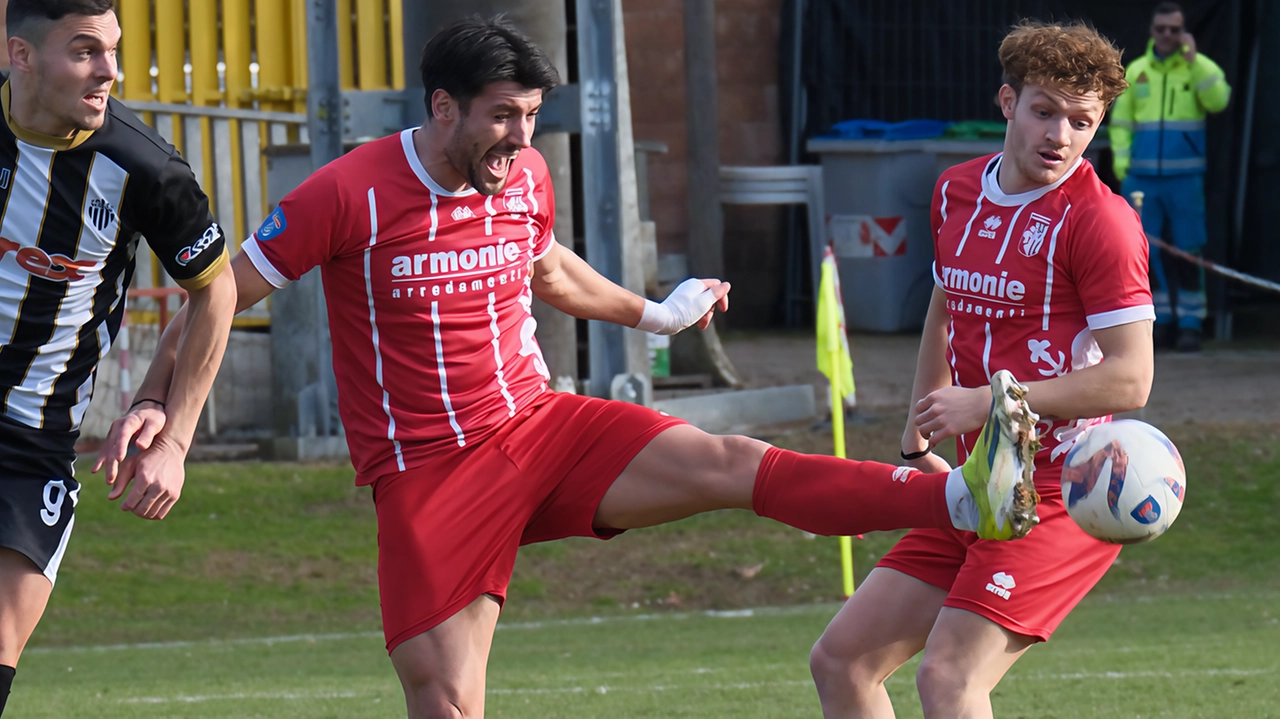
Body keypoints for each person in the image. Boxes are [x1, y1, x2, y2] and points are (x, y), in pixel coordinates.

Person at [99, 16, 1039, 718]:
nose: (520, 137)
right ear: (441, 106)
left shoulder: (525, 174)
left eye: (533, 116)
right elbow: (219, 292)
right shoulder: (346, 191)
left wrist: (652, 308)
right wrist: (158, 409)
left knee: (728, 461)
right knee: (449, 702)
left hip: (542, 427)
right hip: (429, 470)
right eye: (502, 116)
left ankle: (963, 501)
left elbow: (546, 268)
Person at [808, 20, 1156, 719]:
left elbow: (1131, 380)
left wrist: (988, 404)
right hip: (976, 479)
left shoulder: (1100, 222)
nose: (1060, 133)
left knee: (949, 677)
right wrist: (919, 433)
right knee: (844, 659)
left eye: (1082, 120)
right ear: (1007, 103)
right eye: (1045, 110)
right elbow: (947, 306)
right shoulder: (954, 192)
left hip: (1061, 488)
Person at [0, 0, 237, 715]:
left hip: (29, 444)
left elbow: (216, 292)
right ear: (21, 57)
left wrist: (174, 436)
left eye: (113, 49)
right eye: (84, 52)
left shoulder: (143, 167)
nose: (110, 71)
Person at [1110, 1, 1231, 352]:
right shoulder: (1137, 70)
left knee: (1188, 250)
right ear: (1152, 31)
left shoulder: (1197, 69)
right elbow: (1120, 123)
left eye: (1174, 30)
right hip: (1141, 180)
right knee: (1143, 252)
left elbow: (1219, 100)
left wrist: (1195, 63)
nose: (1166, 35)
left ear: (1183, 33)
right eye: (1161, 29)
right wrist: (1122, 165)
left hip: (1186, 179)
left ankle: (1191, 324)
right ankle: (1158, 322)